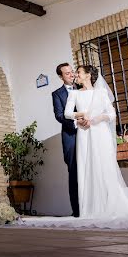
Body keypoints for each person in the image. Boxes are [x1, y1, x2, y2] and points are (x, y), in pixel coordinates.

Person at [64, 64, 128, 219]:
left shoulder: (102, 92)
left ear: (88, 75)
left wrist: (96, 119)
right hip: (85, 134)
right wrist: (82, 117)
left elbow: (111, 114)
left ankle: (111, 206)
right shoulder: (74, 94)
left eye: (78, 72)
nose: (76, 75)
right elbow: (67, 113)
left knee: (104, 166)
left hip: (100, 133)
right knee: (87, 166)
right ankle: (90, 210)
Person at [51, 63, 79, 217]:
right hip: (71, 136)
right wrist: (76, 122)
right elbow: (59, 115)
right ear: (61, 77)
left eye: (72, 71)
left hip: (89, 134)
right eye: (67, 73)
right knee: (74, 172)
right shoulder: (57, 94)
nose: (71, 75)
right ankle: (77, 211)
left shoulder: (83, 88)